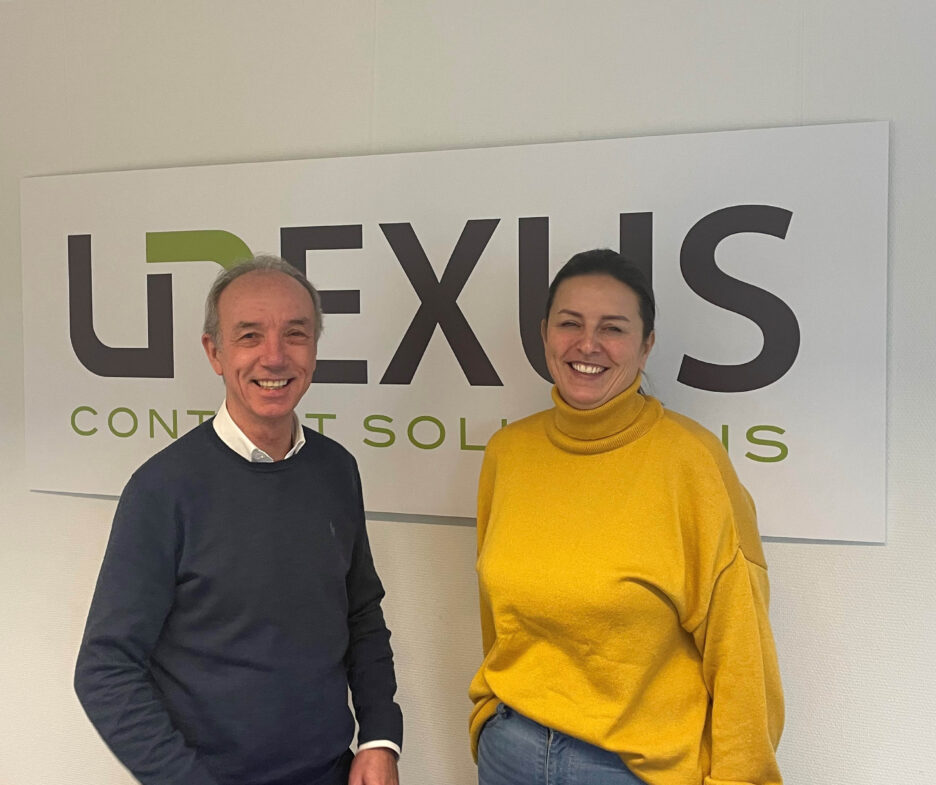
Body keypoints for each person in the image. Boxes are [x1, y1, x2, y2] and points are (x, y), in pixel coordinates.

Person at [75, 256, 402, 785]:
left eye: (295, 334)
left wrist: (380, 738)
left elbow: (361, 615)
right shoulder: (163, 489)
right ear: (215, 353)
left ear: (314, 349)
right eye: (250, 336)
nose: (274, 356)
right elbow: (105, 669)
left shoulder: (337, 470)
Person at [469, 249, 783, 785]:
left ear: (646, 345)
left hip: (633, 769)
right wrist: (487, 716)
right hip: (510, 751)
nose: (587, 344)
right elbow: (495, 614)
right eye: (570, 323)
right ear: (545, 333)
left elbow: (741, 651)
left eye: (612, 328)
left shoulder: (692, 462)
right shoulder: (508, 453)